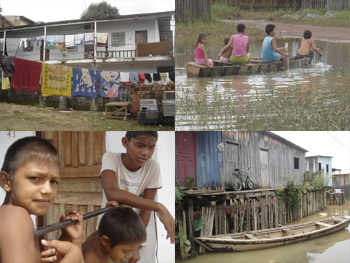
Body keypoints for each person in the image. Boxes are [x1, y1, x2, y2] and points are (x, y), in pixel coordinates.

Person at [0, 136, 84, 263]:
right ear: (6, 181)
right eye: (35, 178)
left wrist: (69, 238)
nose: (48, 190)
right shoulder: (15, 216)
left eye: (54, 181)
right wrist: (74, 256)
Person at [99, 131, 175, 263]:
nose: (146, 153)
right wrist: (159, 206)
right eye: (140, 145)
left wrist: (135, 244)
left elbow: (146, 209)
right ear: (125, 142)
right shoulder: (111, 158)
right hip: (113, 231)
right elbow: (111, 192)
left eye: (151, 147)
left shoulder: (153, 167)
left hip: (140, 230)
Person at [83, 206, 147, 263]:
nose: (129, 256)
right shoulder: (90, 257)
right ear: (105, 241)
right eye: (125, 251)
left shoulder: (109, 234)